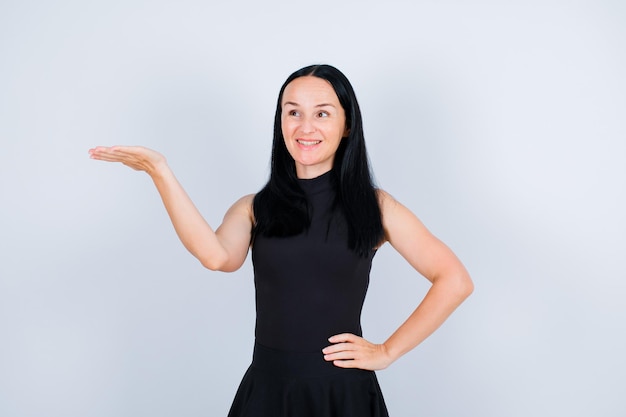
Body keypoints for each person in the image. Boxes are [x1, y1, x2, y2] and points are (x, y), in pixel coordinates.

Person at [89, 64, 473, 416]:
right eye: (293, 112)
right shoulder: (255, 207)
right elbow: (216, 256)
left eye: (322, 113)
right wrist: (160, 172)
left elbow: (454, 280)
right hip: (268, 392)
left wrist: (387, 351)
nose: (305, 127)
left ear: (347, 125)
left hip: (341, 394)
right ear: (281, 123)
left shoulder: (375, 206)